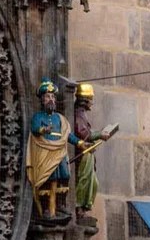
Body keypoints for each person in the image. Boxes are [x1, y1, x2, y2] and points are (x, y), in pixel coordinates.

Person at [26, 78, 84, 219]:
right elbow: (34, 129)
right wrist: (43, 129)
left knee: (64, 176)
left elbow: (68, 135)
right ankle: (46, 209)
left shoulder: (60, 118)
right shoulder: (38, 116)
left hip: (60, 152)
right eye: (47, 97)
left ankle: (60, 206)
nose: (51, 99)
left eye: (52, 97)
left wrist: (80, 143)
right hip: (45, 152)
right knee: (47, 180)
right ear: (42, 100)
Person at [74, 83, 110, 217]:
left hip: (88, 153)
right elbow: (83, 134)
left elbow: (86, 131)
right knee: (84, 180)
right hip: (83, 153)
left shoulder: (82, 113)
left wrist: (99, 133)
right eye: (91, 99)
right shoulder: (78, 113)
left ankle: (84, 206)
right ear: (85, 100)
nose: (92, 103)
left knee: (93, 183)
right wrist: (99, 134)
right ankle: (79, 206)